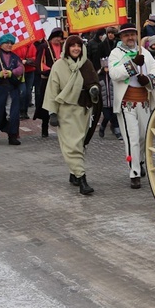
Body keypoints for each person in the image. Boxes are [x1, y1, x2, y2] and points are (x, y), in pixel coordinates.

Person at [43, 35, 100, 195]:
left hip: (82, 109)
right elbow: (52, 89)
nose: (76, 48)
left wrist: (93, 89)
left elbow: (93, 82)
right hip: (65, 110)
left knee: (80, 143)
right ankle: (82, 179)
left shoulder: (86, 64)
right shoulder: (58, 66)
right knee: (72, 145)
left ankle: (73, 173)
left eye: (78, 46)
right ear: (66, 48)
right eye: (72, 46)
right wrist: (52, 112)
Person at [108, 23, 155, 189]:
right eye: (126, 35)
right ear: (121, 38)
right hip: (127, 103)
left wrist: (149, 79)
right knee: (132, 138)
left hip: (144, 101)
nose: (130, 38)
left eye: (132, 34)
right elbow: (114, 74)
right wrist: (132, 65)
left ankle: (139, 161)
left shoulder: (144, 51)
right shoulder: (115, 54)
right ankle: (134, 173)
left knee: (144, 136)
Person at [33, 28, 65, 137]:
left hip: (61, 80)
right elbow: (39, 62)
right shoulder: (44, 47)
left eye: (60, 37)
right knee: (45, 104)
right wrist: (49, 71)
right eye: (56, 37)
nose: (58, 39)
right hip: (47, 79)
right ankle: (44, 127)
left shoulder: (64, 47)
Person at [97, 57, 121, 140]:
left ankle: (117, 132)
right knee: (107, 116)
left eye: (108, 67)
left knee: (114, 116)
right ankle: (102, 127)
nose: (107, 69)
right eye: (105, 67)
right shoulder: (99, 77)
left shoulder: (113, 76)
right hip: (104, 102)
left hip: (113, 100)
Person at [13, 38, 37, 119]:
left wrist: (27, 61)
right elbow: (14, 57)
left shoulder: (31, 46)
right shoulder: (17, 45)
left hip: (30, 71)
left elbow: (35, 57)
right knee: (22, 92)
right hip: (20, 72)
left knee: (27, 92)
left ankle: (24, 111)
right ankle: (20, 110)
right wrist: (21, 61)